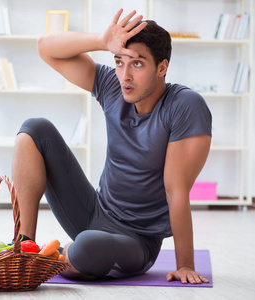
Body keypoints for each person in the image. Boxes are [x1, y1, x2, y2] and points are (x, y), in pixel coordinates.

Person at [11, 9, 212, 284]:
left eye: (137, 64)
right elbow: (45, 47)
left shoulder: (184, 106)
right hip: (94, 211)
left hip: (136, 241)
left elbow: (176, 189)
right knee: (33, 130)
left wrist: (185, 264)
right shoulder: (112, 85)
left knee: (86, 248)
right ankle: (23, 248)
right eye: (119, 62)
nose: (125, 75)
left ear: (162, 67)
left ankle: (66, 255)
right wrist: (101, 40)